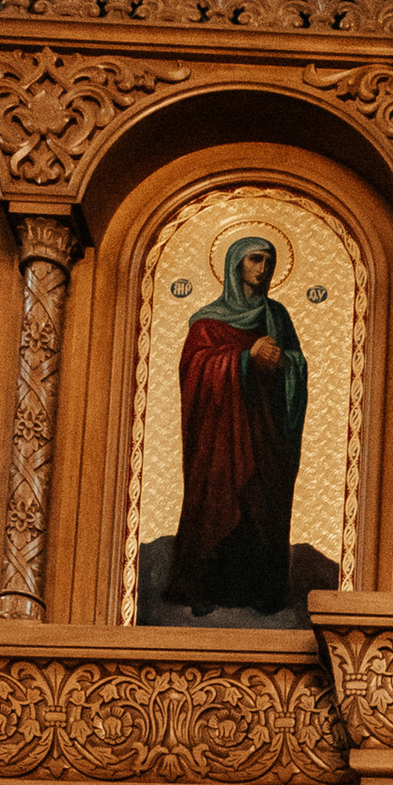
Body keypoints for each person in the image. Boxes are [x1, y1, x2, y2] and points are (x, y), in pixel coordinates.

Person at [168, 235, 308, 617]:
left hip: (266, 431)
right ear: (235, 265)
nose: (263, 270)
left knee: (263, 503)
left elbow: (296, 362)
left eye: (268, 262)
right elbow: (194, 370)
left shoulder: (277, 316)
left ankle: (263, 591)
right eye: (255, 260)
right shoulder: (206, 321)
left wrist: (284, 362)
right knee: (218, 503)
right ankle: (204, 588)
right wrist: (244, 358)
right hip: (220, 436)